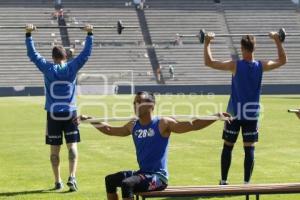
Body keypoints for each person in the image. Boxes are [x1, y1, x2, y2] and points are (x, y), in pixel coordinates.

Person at [76, 91, 231, 200]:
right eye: (134, 102)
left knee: (127, 184)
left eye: (138, 101)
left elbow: (192, 125)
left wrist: (215, 117)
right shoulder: (133, 125)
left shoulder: (163, 123)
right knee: (110, 180)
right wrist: (89, 119)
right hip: (143, 173)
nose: (134, 104)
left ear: (150, 105)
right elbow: (110, 130)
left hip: (158, 177)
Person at [204, 31, 287, 185]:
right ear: (254, 48)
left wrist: (207, 42)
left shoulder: (235, 65)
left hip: (233, 114)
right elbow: (282, 60)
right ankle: (246, 184)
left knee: (228, 147)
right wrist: (277, 40)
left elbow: (209, 62)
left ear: (242, 48)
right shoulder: (261, 66)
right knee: (249, 150)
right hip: (251, 115)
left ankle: (223, 181)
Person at [25, 23, 93, 191]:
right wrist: (90, 34)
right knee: (72, 146)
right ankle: (72, 177)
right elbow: (85, 55)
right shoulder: (72, 66)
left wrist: (28, 35)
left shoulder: (48, 68)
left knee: (54, 150)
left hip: (53, 114)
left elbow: (33, 55)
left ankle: (57, 181)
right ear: (65, 56)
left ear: (53, 57)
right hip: (70, 112)